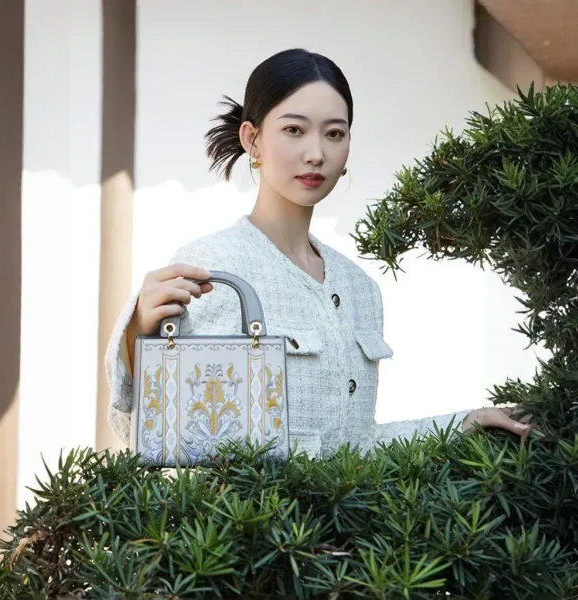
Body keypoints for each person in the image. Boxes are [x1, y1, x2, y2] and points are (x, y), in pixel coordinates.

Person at [105, 48, 533, 456]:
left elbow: (357, 447)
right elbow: (146, 431)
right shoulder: (213, 267)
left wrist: (466, 422)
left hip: (347, 533)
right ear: (252, 140)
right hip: (250, 531)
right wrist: (137, 332)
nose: (316, 154)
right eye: (294, 130)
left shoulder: (359, 288)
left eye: (334, 133)